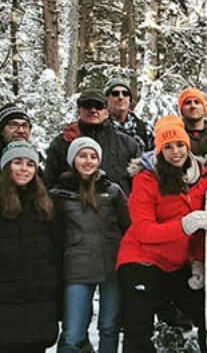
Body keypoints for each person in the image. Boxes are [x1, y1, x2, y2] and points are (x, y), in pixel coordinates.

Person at [117, 116, 207, 353]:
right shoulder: (147, 179)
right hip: (141, 259)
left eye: (179, 145)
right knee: (138, 329)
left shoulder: (202, 179)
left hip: (177, 264)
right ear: (159, 151)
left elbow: (203, 228)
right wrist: (182, 226)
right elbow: (142, 229)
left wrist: (198, 263)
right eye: (167, 147)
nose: (175, 152)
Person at [51, 138, 129, 353]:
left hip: (111, 266)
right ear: (73, 159)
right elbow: (54, 235)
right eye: (82, 156)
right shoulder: (59, 194)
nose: (88, 161)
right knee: (72, 333)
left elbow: (128, 225)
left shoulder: (112, 191)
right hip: (77, 269)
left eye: (93, 157)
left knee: (109, 326)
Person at [0, 141, 61, 353]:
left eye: (30, 164)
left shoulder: (45, 204)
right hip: (6, 302)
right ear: (7, 166)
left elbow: (57, 251)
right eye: (17, 162)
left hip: (39, 302)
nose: (24, 169)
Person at [45, 89, 141, 192]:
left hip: (114, 205)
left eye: (98, 106)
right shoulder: (62, 142)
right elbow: (49, 182)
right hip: (72, 204)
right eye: (87, 105)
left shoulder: (127, 144)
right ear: (79, 110)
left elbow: (140, 184)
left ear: (106, 112)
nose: (93, 110)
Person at [104, 78, 154, 152]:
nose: (121, 97)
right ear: (106, 99)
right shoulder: (99, 128)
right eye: (115, 93)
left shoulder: (145, 129)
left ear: (129, 99)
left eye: (125, 93)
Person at [177, 87, 207, 161]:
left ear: (204, 108)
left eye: (197, 102)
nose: (193, 106)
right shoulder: (176, 138)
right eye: (188, 103)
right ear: (181, 110)